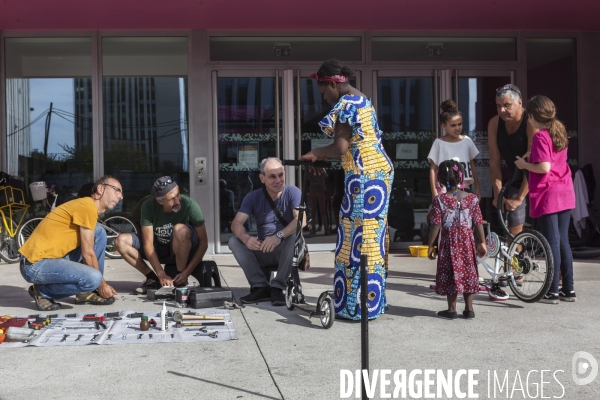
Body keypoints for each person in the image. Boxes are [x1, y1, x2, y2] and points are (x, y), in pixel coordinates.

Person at [300, 58, 394, 320]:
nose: (325, 99)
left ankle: (353, 307)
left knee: (356, 240)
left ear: (332, 84)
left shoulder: (345, 104)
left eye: (323, 92)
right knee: (373, 238)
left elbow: (340, 148)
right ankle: (372, 303)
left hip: (364, 178)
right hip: (377, 174)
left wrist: (316, 152)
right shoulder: (363, 98)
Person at [19, 176, 122, 311]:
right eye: (117, 190)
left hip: (51, 260)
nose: (121, 196)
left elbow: (89, 249)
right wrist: (101, 284)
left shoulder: (86, 206)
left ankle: (86, 292)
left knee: (99, 232)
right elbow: (87, 253)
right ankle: (42, 291)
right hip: (34, 265)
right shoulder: (87, 206)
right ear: (100, 189)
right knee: (94, 278)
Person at [514, 95, 576, 304]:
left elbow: (544, 167)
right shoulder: (558, 131)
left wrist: (523, 166)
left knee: (552, 243)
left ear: (531, 116)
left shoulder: (540, 135)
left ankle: (552, 291)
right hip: (565, 191)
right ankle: (568, 289)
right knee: (563, 241)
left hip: (549, 193)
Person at [114, 176, 214, 294]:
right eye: (172, 199)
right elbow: (148, 245)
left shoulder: (190, 205)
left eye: (178, 195)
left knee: (180, 229)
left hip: (184, 251)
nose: (177, 201)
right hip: (159, 249)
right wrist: (161, 274)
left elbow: (204, 244)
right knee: (120, 241)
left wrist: (186, 272)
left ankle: (179, 279)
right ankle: (153, 278)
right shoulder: (148, 206)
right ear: (160, 201)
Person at [228, 157, 305, 306]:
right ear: (262, 178)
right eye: (272, 176)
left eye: (280, 175)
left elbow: (301, 220)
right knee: (234, 241)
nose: (278, 180)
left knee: (294, 235)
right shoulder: (253, 196)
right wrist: (245, 238)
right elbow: (236, 223)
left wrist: (279, 236)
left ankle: (278, 287)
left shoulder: (293, 192)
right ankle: (259, 286)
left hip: (286, 248)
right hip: (263, 248)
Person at [427, 160, 487, 319]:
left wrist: (431, 244)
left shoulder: (439, 200)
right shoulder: (472, 198)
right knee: (468, 272)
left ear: (440, 180)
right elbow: (478, 222)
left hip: (449, 243)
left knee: (450, 272)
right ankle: (469, 309)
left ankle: (451, 309)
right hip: (467, 242)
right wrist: (481, 241)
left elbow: (435, 225)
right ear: (461, 177)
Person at [488, 84, 535, 237]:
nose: (502, 110)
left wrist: (520, 198)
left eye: (507, 105)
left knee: (549, 229)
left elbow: (534, 161)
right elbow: (494, 161)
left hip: (538, 176)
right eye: (498, 106)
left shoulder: (531, 122)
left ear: (520, 103)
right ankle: (515, 260)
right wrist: (498, 195)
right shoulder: (495, 123)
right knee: (512, 224)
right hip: (517, 178)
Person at [428, 99, 481, 200]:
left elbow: (471, 165)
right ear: (443, 126)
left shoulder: (467, 141)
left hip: (465, 187)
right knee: (447, 214)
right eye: (453, 125)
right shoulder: (439, 143)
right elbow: (432, 169)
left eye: (459, 124)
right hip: (445, 188)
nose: (457, 128)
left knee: (464, 214)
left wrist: (477, 188)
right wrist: (434, 192)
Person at [306, 166, 330, 235]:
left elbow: (308, 181)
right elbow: (326, 180)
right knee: (323, 211)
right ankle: (326, 228)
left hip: (312, 190)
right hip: (321, 190)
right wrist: (327, 191)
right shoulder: (322, 169)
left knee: (313, 211)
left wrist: (307, 191)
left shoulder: (310, 169)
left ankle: (313, 229)